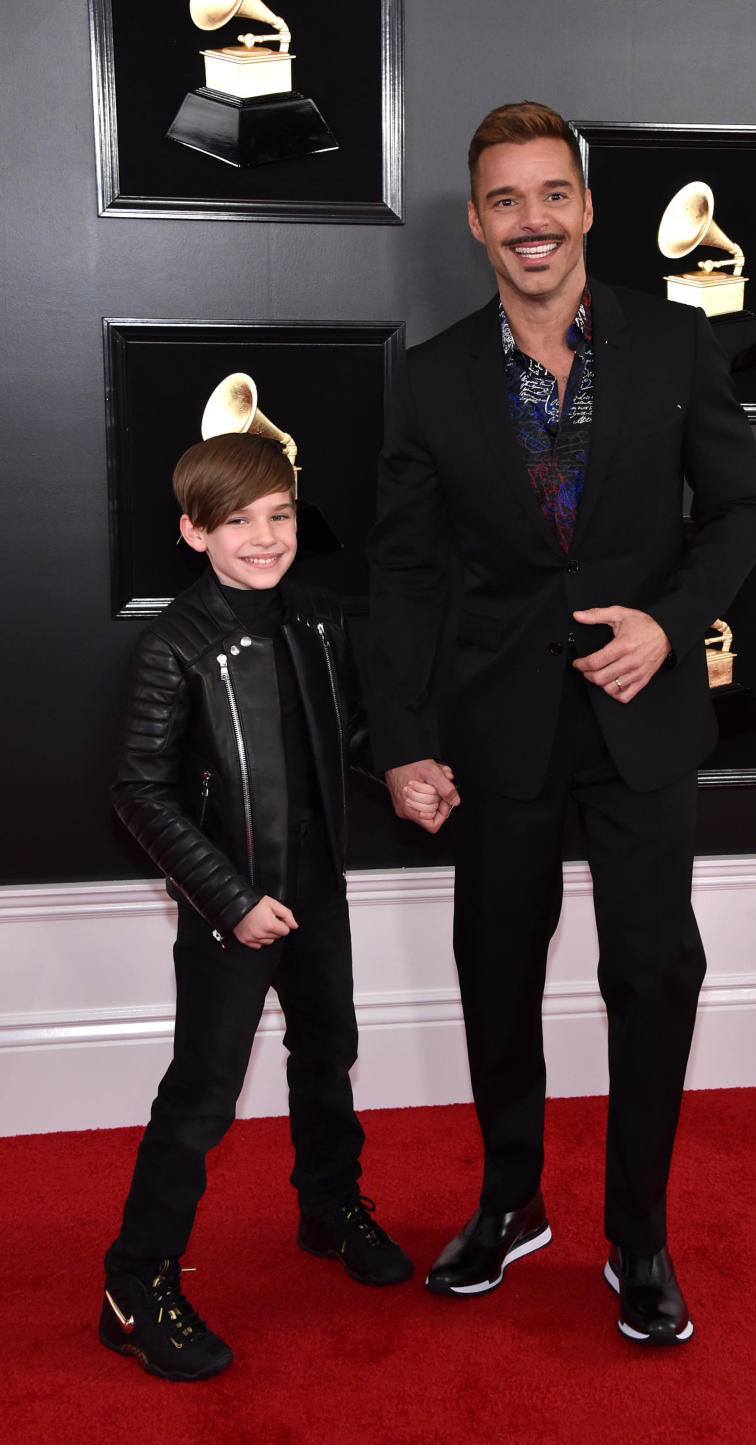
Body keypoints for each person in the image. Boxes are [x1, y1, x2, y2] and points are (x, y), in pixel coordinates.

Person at [365, 101, 756, 1344]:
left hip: (641, 716)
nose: (531, 221)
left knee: (654, 973)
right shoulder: (431, 378)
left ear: (587, 207)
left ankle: (637, 1236)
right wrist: (401, 735)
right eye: (505, 200)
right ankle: (509, 1202)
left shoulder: (676, 343)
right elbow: (406, 577)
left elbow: (742, 509)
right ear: (479, 221)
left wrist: (669, 620)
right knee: (496, 968)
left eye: (553, 195)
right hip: (497, 725)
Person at [100, 431, 417, 1382]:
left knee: (328, 1053)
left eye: (278, 516)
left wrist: (401, 770)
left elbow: (344, 730)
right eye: (239, 522)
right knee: (201, 1094)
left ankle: (329, 1206)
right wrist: (233, 899)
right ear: (196, 533)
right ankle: (135, 1283)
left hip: (318, 886)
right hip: (228, 905)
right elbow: (139, 793)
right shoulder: (176, 647)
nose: (265, 537)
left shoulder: (317, 619)